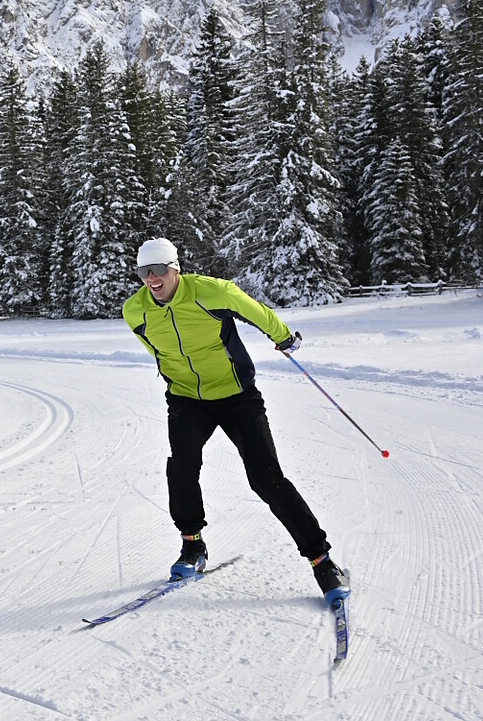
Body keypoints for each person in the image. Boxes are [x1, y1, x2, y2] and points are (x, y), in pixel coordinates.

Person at [120, 237, 349, 602]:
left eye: (159, 270)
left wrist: (284, 338)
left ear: (175, 268)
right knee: (181, 468)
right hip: (185, 398)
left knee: (266, 478)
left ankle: (322, 561)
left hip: (236, 395)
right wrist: (175, 379)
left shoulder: (213, 292)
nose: (152, 278)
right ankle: (193, 547)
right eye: (144, 272)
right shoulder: (135, 311)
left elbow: (256, 312)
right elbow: (156, 349)